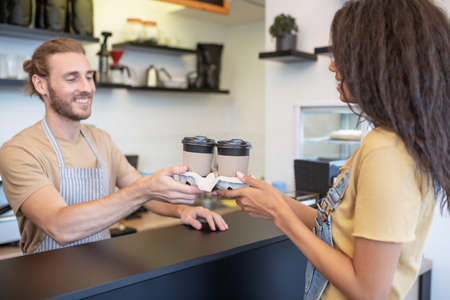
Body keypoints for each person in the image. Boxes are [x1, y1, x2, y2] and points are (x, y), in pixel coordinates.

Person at [219, 0, 449, 299]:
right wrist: (273, 197)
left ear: (379, 60)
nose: (332, 64)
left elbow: (368, 292)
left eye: (343, 53)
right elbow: (339, 232)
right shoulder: (388, 141)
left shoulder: (387, 152)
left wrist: (279, 214)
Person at [0, 38, 228, 254]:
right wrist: (144, 188)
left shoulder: (100, 140)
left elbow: (146, 192)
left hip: (101, 272)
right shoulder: (19, 151)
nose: (87, 88)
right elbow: (60, 227)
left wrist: (183, 210)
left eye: (89, 77)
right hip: (50, 284)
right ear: (40, 84)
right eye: (72, 78)